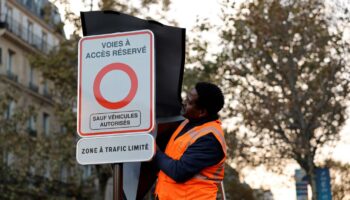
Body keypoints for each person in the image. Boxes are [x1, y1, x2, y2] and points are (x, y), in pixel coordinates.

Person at [154, 82, 227, 200]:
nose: (184, 102)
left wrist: (154, 151)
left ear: (202, 112)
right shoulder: (187, 122)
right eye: (186, 98)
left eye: (189, 102)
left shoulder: (210, 139)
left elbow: (179, 172)